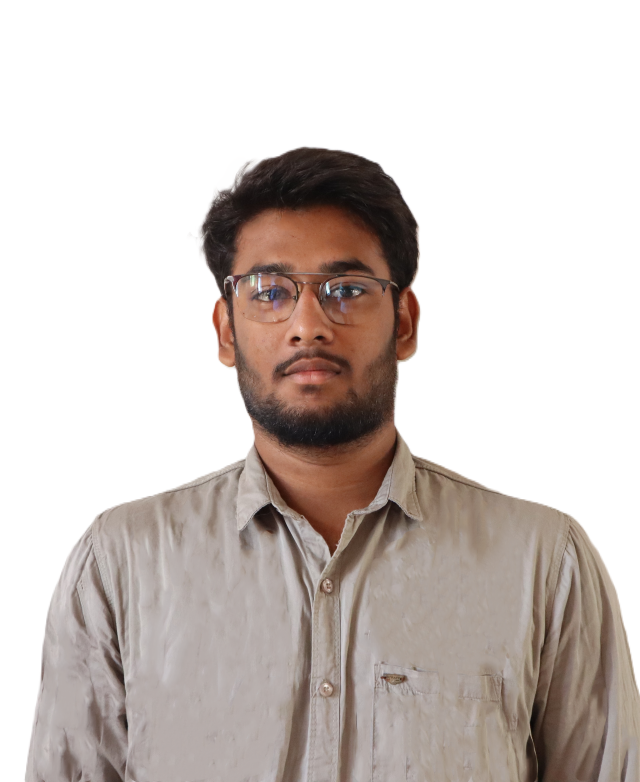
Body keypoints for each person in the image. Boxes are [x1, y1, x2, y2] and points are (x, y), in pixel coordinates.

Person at [26, 148, 639, 781]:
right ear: (226, 331)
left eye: (345, 290)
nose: (307, 324)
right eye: (270, 291)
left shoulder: (542, 563)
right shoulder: (122, 564)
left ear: (403, 322)